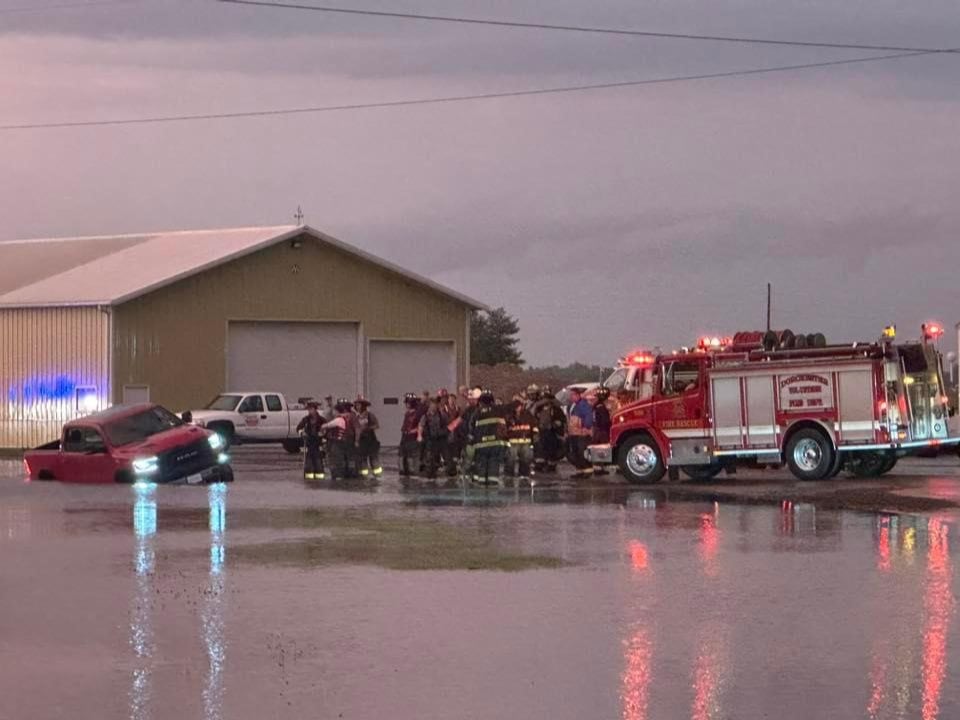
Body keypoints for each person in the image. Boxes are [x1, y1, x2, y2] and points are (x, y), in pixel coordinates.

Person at [469, 389, 508, 485]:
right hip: (495, 444)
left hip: (481, 445)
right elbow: (503, 428)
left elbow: (471, 428)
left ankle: (482, 485)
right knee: (494, 464)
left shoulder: (477, 413)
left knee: (481, 465)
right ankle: (492, 484)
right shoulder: (498, 410)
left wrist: (471, 442)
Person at [419, 397, 454, 481]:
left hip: (442, 440)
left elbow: (450, 425)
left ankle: (451, 474)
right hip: (431, 440)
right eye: (432, 405)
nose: (433, 407)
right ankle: (431, 475)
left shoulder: (442, 415)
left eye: (435, 405)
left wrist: (450, 436)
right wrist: (419, 436)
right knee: (431, 459)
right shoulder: (425, 416)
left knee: (448, 458)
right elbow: (421, 426)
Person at [505, 396, 538, 482]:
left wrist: (534, 435)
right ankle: (509, 474)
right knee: (510, 459)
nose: (518, 408)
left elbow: (534, 425)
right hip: (512, 442)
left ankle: (524, 474)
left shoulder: (527, 415)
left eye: (519, 406)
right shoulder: (509, 416)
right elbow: (504, 428)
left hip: (525, 441)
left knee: (525, 459)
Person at [534, 386, 566, 473]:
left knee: (551, 448)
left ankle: (551, 465)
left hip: (551, 430)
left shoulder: (555, 405)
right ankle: (542, 464)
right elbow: (535, 414)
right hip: (542, 429)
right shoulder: (539, 405)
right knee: (542, 447)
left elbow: (561, 418)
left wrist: (556, 424)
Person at [322, 398, 354, 481]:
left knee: (336, 461)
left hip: (337, 443)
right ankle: (346, 475)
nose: (334, 413)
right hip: (345, 442)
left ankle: (337, 476)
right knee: (344, 460)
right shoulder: (346, 418)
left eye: (335, 411)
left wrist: (322, 428)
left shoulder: (339, 419)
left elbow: (326, 425)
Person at [566, 387, 594, 479]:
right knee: (575, 453)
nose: (571, 397)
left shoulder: (583, 405)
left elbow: (588, 416)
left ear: (577, 395)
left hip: (581, 434)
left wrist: (586, 427)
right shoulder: (573, 405)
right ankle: (580, 470)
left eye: (572, 395)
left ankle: (587, 470)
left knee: (581, 452)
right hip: (574, 433)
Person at [296, 401, 326, 480]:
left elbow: (327, 430)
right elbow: (298, 428)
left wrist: (323, 434)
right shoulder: (305, 420)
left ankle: (319, 479)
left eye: (311, 409)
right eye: (309, 409)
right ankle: (309, 480)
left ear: (315, 410)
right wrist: (302, 433)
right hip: (309, 443)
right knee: (308, 464)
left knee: (318, 463)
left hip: (318, 444)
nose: (310, 411)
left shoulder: (322, 420)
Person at [354, 396, 382, 479]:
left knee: (373, 458)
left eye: (359, 405)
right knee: (362, 459)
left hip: (371, 440)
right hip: (361, 441)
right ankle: (364, 475)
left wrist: (368, 428)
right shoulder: (356, 416)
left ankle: (377, 475)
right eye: (356, 405)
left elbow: (377, 425)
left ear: (363, 406)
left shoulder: (370, 415)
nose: (357, 407)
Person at [399, 393, 421, 478]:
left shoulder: (417, 413)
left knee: (411, 456)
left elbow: (420, 425)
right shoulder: (407, 413)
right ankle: (403, 471)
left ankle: (412, 471)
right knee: (401, 454)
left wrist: (414, 432)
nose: (406, 405)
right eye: (406, 403)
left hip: (412, 437)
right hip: (405, 436)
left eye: (408, 403)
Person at [592, 387, 612, 476]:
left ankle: (598, 467)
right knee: (602, 448)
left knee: (597, 447)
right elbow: (605, 421)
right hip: (602, 431)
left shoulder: (595, 406)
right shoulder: (601, 408)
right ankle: (599, 469)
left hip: (596, 430)